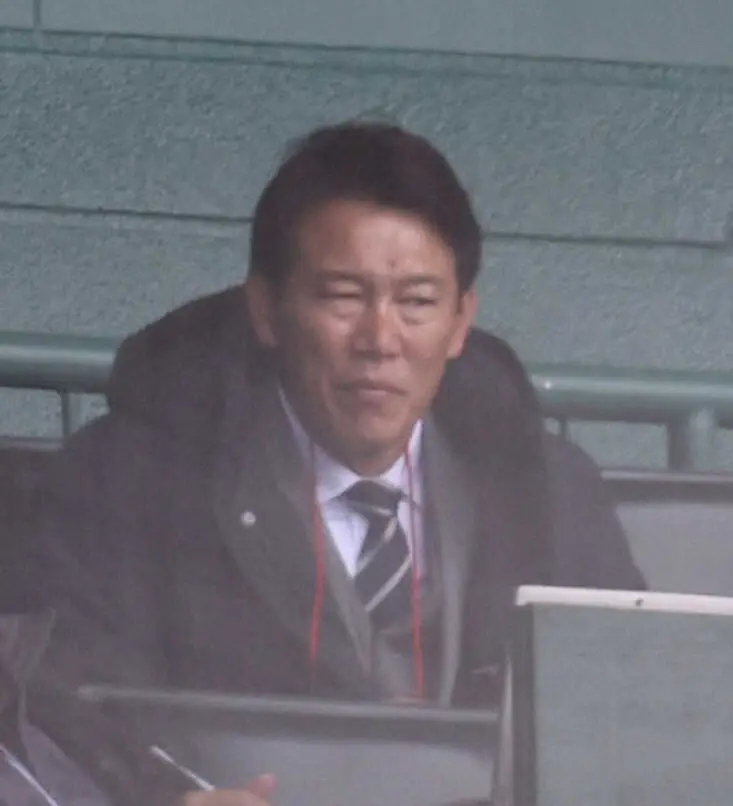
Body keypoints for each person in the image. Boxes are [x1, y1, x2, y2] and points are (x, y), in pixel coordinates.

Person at [24, 121, 645, 709]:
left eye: (417, 302)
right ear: (266, 310)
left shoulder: (551, 492)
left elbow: (631, 706)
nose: (380, 339)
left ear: (461, 321)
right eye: (344, 296)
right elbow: (66, 711)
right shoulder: (127, 487)